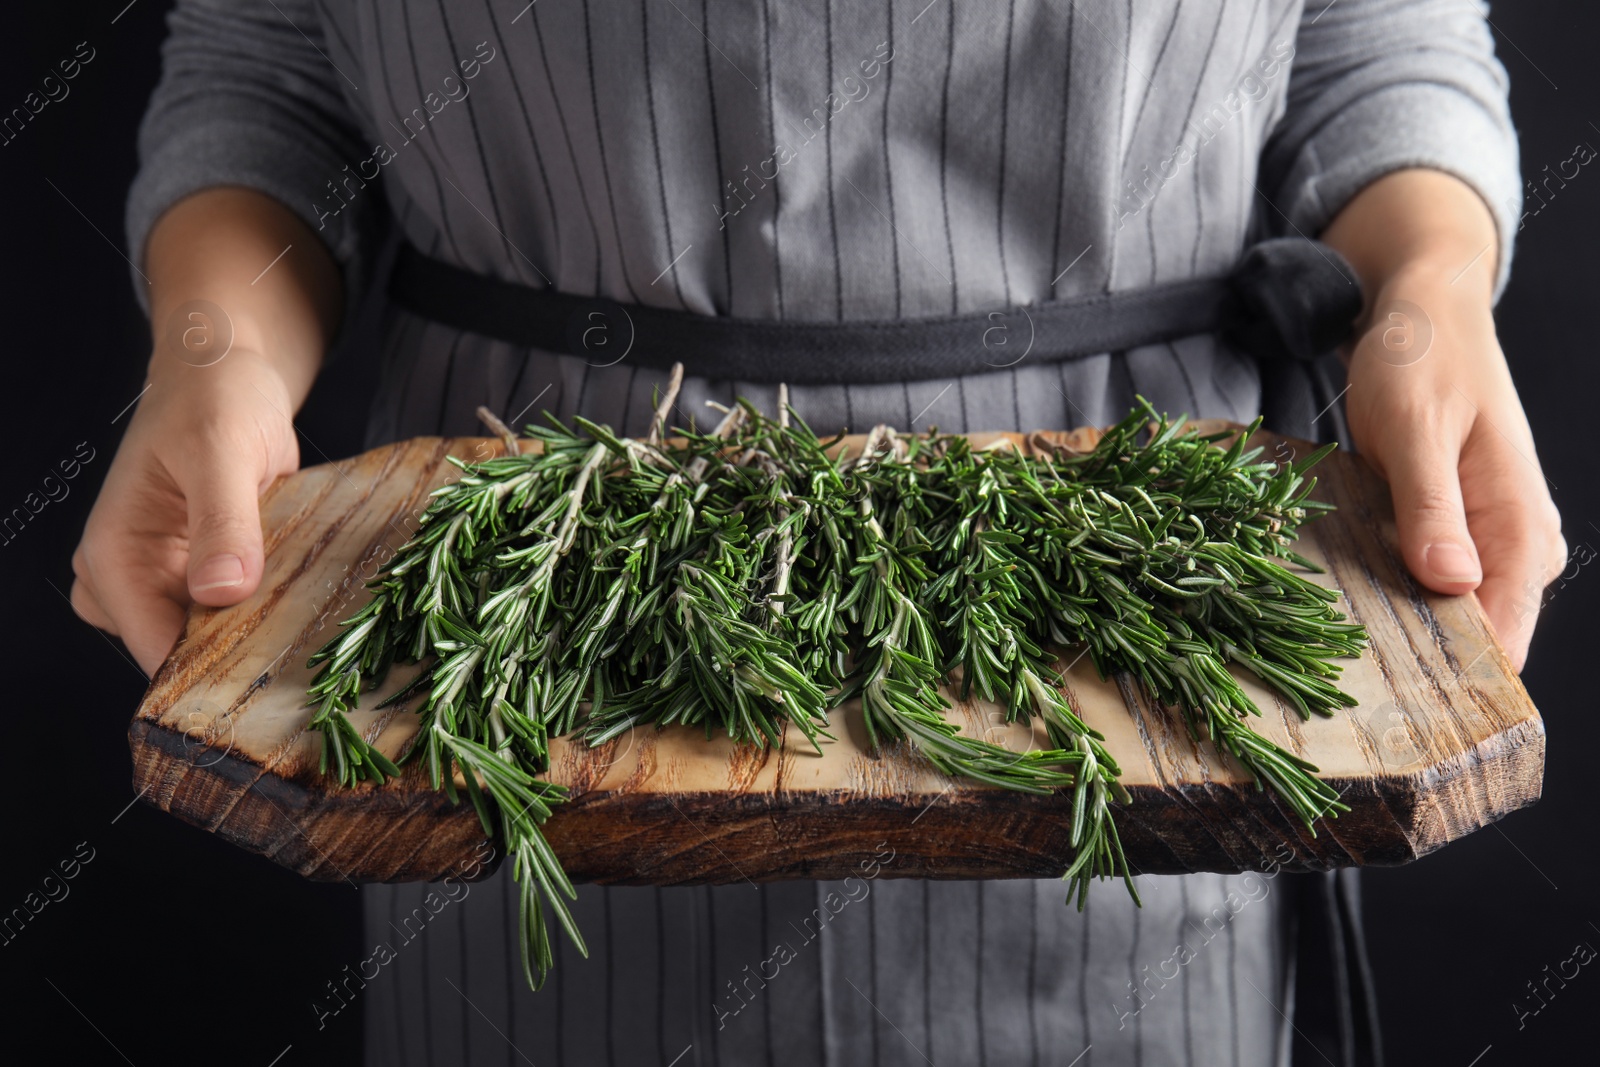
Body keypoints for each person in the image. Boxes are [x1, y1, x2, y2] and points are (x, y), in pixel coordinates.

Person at [72, 1, 1563, 1064]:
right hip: (544, 572)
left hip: (1137, 592)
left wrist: (1429, 285)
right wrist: (215, 347)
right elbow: (270, 65)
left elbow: (1376, 40)